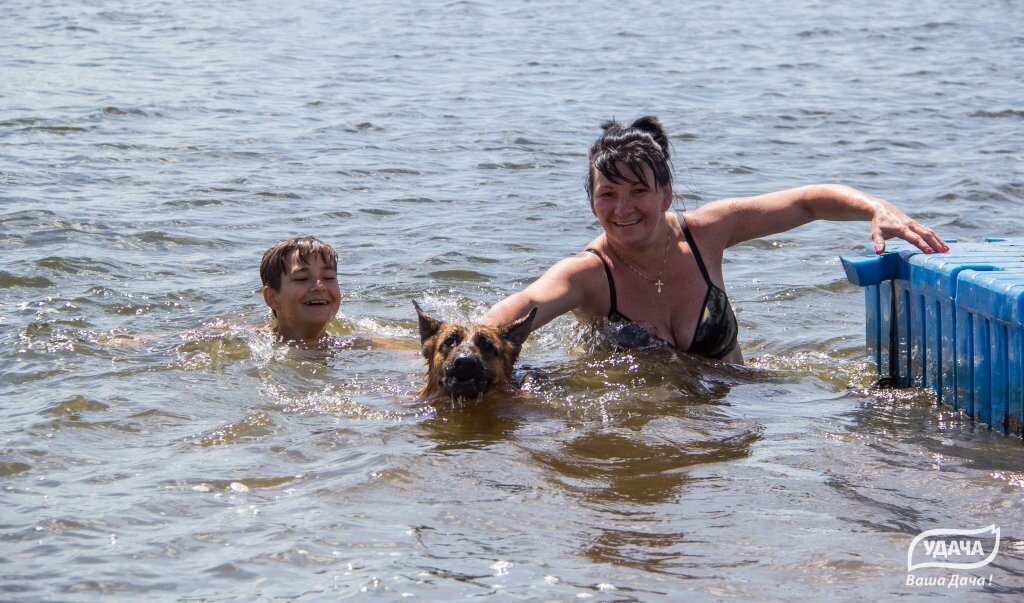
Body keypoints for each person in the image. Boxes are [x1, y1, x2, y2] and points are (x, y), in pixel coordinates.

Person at [478, 116, 947, 364]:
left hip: (729, 417)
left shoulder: (706, 232)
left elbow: (807, 201)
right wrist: (462, 348)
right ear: (592, 202)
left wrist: (875, 208)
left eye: (639, 191)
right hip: (639, 432)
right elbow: (514, 312)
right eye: (608, 195)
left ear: (666, 194)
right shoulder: (587, 275)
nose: (623, 209)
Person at [260, 236, 341, 343]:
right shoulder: (248, 343)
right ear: (272, 298)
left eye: (328, 277)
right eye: (301, 279)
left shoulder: (357, 347)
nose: (320, 286)